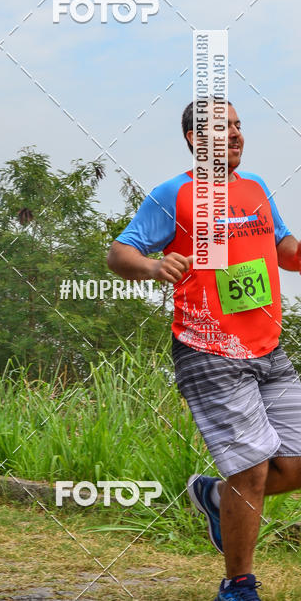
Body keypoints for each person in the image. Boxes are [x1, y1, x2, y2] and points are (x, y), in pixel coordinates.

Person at [107, 102, 301, 601]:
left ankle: (215, 497)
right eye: (221, 128)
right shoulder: (175, 194)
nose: (235, 134)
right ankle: (238, 585)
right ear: (194, 139)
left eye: (238, 126)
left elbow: (283, 248)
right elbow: (119, 252)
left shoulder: (255, 188)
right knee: (251, 468)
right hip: (207, 348)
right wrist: (153, 267)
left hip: (267, 347)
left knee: (295, 464)